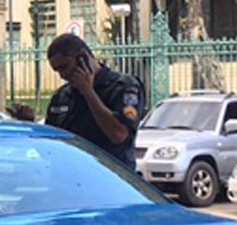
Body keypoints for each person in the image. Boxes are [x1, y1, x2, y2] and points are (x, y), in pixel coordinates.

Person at [10, 34, 144, 170]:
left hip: (109, 179)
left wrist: (88, 93)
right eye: (57, 70)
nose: (62, 75)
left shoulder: (122, 87)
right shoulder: (62, 96)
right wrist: (30, 124)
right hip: (69, 180)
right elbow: (50, 151)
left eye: (64, 67)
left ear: (83, 58)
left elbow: (119, 134)